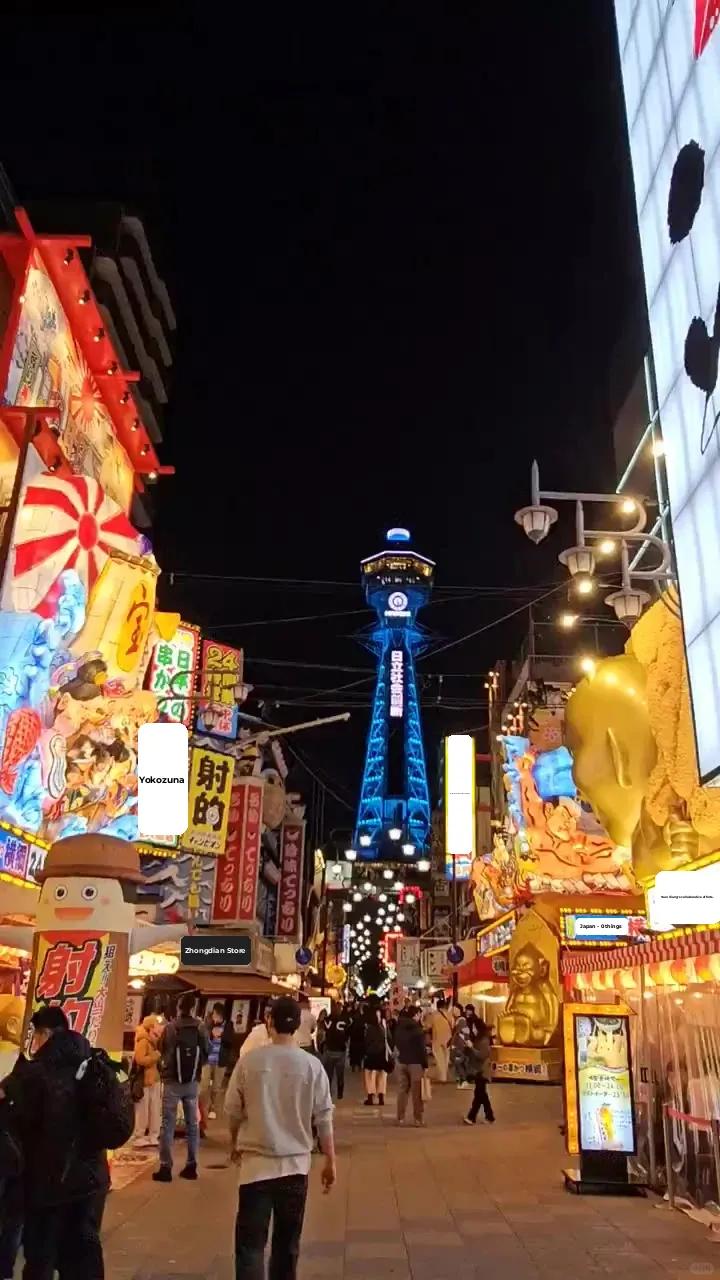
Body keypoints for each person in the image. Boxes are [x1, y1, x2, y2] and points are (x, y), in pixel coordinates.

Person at [226, 996, 335, 1279]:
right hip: (295, 1167)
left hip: (255, 1169)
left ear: (269, 1022)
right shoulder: (312, 1066)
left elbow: (233, 1111)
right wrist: (330, 1161)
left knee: (250, 1246)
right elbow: (323, 1117)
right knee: (287, 1246)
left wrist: (234, 1142)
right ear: (298, 1025)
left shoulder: (249, 1062)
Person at [4, 1005, 109, 1279]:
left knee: (41, 1258)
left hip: (48, 1183)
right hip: (91, 1181)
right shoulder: (91, 1063)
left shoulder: (34, 1073)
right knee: (83, 1258)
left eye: (35, 1035)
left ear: (46, 1034)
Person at [153, 991, 210, 1183]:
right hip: (192, 1081)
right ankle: (191, 1166)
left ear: (178, 1007)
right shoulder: (200, 1027)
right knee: (192, 1125)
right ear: (194, 1008)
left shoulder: (171, 1027)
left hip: (172, 1081)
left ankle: (165, 1167)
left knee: (167, 1125)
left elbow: (161, 1048)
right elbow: (207, 1051)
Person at [394, 1005, 429, 1127]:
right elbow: (421, 1050)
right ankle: (418, 1119)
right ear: (415, 1015)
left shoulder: (399, 1028)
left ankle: (400, 1118)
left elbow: (396, 1042)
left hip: (402, 1061)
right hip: (415, 1063)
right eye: (419, 1014)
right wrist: (425, 1064)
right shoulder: (417, 1030)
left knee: (402, 1091)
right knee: (417, 1093)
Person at [132, 1013, 162, 1146]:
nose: (160, 1027)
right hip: (144, 1080)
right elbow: (140, 1059)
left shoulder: (155, 1040)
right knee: (143, 1110)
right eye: (157, 1024)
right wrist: (155, 1056)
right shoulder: (143, 1040)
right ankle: (139, 1135)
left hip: (154, 1079)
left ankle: (153, 1135)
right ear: (151, 1027)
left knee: (155, 1109)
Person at [202, 1002, 236, 1119]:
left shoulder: (228, 1025)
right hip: (207, 1060)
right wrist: (211, 1035)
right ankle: (203, 1108)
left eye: (215, 1015)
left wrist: (222, 1035)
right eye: (213, 1014)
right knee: (204, 1086)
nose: (213, 1017)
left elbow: (231, 1041)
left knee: (216, 1087)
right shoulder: (208, 1023)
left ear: (221, 1015)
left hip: (220, 1061)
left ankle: (213, 1108)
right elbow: (203, 1038)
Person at [463, 1018, 495, 1125]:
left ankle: (472, 1117)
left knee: (479, 1095)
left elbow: (482, 1055)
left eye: (474, 1027)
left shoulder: (484, 1040)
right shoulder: (479, 1038)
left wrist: (471, 1048)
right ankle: (489, 1116)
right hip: (478, 1069)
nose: (472, 1029)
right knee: (482, 1095)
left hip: (482, 1070)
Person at [321, 1002, 350, 1102]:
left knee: (328, 1074)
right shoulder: (344, 1020)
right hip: (340, 1050)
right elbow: (347, 1032)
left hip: (329, 1049)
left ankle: (328, 1092)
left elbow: (323, 1031)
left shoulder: (327, 1020)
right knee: (340, 1074)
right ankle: (340, 1093)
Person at [363, 1007, 391, 1106]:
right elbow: (390, 1039)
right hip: (382, 1055)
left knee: (370, 1076)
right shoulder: (384, 1028)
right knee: (382, 1076)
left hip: (371, 1056)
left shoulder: (368, 1029)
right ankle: (381, 1097)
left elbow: (365, 1042)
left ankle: (370, 1097)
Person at [428, 999, 453, 1083]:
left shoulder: (433, 1015)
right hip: (448, 1039)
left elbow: (427, 1025)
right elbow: (453, 1025)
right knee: (446, 1058)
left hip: (437, 1040)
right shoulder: (449, 1014)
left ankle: (442, 1077)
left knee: (440, 1059)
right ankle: (443, 1076)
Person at [348, 1007, 366, 1072]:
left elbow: (349, 1031)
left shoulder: (353, 1022)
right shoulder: (362, 1022)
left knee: (353, 1054)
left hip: (354, 1041)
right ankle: (359, 1066)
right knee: (359, 1054)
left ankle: (353, 1066)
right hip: (360, 1041)